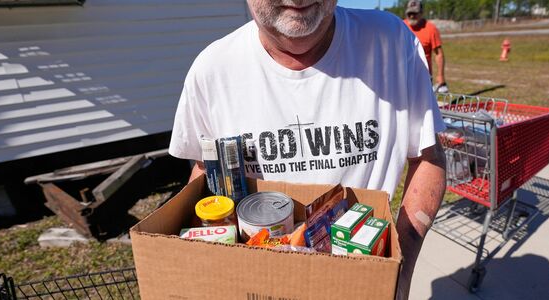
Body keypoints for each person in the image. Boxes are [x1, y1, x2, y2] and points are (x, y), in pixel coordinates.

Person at [168, 0, 446, 298]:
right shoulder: (212, 71)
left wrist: (400, 271)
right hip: (258, 285)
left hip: (361, 281)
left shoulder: (392, 44)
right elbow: (205, 171)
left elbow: (428, 158)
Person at [403, 0, 448, 93]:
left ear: (421, 13)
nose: (411, 16)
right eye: (409, 13)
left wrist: (440, 75)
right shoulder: (401, 26)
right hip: (403, 75)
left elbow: (438, 54)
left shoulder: (431, 29)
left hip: (423, 77)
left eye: (415, 13)